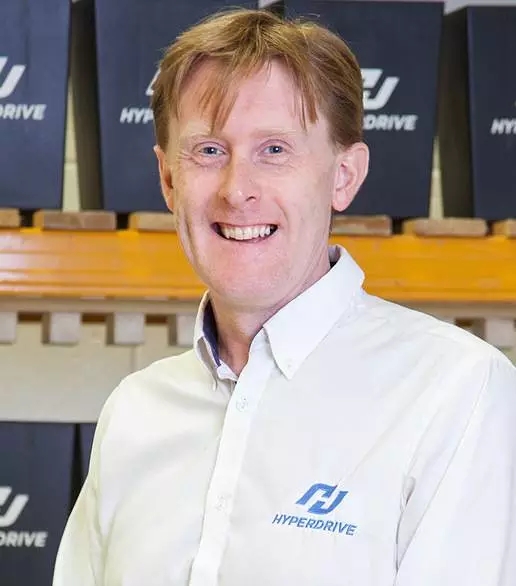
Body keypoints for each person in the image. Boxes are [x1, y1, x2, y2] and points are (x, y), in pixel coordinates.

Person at [53, 8, 516, 586]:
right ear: (168, 179)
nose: (237, 190)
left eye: (274, 150)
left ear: (344, 176)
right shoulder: (134, 413)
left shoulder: (456, 392)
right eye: (209, 151)